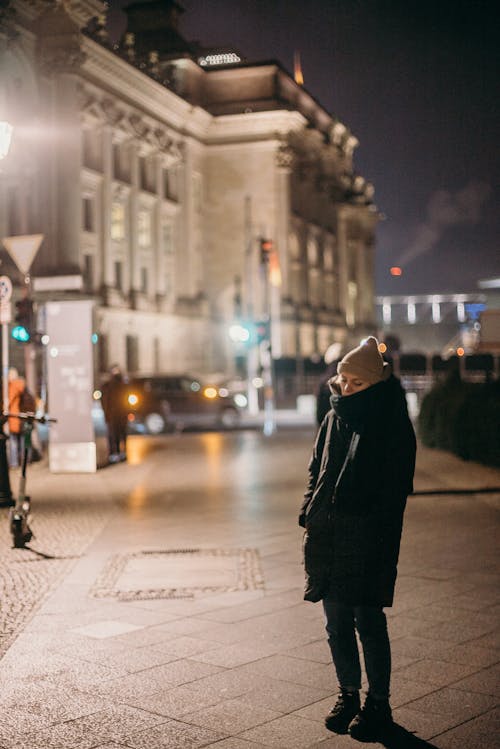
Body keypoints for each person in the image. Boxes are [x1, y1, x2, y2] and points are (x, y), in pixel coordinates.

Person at [299, 336, 416, 742]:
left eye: (356, 383)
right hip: (329, 535)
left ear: (375, 383)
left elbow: (397, 485)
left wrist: (374, 526)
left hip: (369, 537)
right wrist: (308, 508)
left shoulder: (390, 421)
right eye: (343, 381)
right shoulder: (334, 417)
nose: (346, 389)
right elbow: (317, 468)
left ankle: (378, 702)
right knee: (335, 623)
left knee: (368, 620)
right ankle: (347, 694)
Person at [101, 364, 128, 463]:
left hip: (121, 414)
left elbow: (126, 400)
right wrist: (106, 413)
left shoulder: (123, 385)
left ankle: (122, 452)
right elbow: (105, 401)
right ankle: (114, 453)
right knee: (113, 434)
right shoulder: (107, 386)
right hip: (113, 415)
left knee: (121, 434)